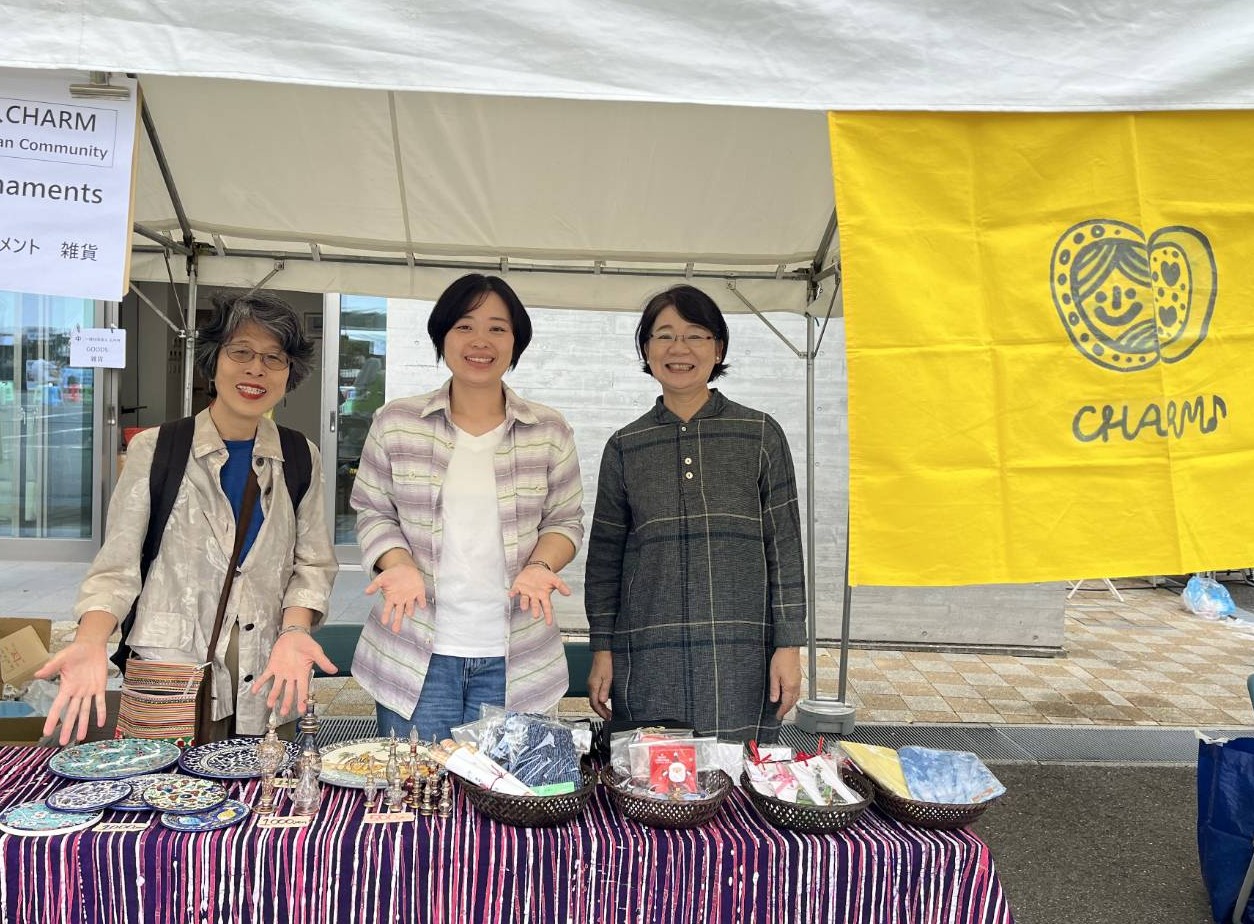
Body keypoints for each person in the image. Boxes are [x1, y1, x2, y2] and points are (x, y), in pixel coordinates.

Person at [37, 292, 339, 744]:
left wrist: (296, 630)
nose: (256, 369)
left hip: (271, 669)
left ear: (289, 372)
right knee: (165, 780)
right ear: (213, 360)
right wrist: (90, 640)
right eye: (241, 352)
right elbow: (117, 566)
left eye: (274, 358)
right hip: (171, 668)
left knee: (262, 780)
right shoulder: (157, 449)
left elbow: (312, 564)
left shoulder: (299, 455)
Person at [350, 273, 584, 742]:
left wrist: (540, 566)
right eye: (465, 326)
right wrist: (397, 563)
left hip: (517, 656)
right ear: (443, 336)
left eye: (497, 328)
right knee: (419, 783)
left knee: (506, 783)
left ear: (516, 341)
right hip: (414, 652)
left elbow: (565, 520)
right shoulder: (397, 422)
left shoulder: (548, 430)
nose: (481, 341)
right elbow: (373, 510)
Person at [584, 284, 807, 743]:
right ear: (646, 350)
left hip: (741, 650)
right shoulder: (625, 446)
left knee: (737, 772)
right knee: (652, 774)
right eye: (664, 335)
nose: (679, 348)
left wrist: (789, 644)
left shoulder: (760, 434)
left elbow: (784, 548)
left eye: (695, 335)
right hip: (648, 650)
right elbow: (605, 560)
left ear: (718, 348)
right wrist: (602, 647)